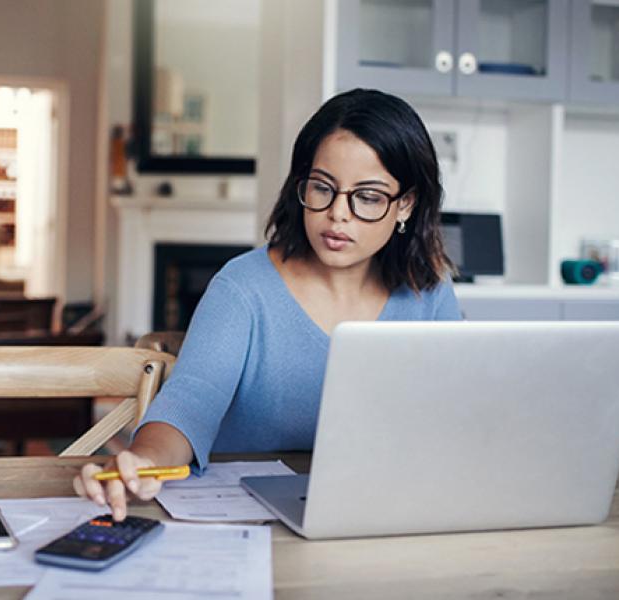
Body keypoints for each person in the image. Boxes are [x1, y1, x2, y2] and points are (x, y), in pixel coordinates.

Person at [74, 88, 461, 520]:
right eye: (322, 188)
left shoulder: (429, 290)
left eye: (368, 197)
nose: (338, 214)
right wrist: (144, 461)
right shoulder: (242, 288)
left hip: (380, 513)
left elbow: (457, 415)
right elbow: (190, 403)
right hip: (248, 521)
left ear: (405, 204)